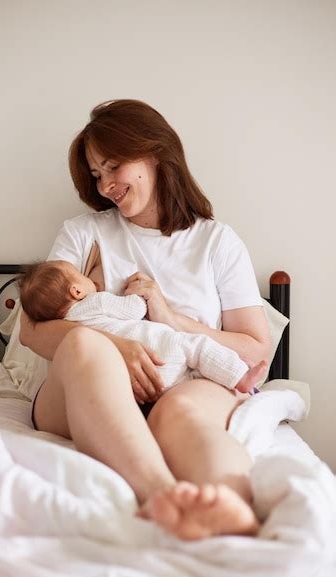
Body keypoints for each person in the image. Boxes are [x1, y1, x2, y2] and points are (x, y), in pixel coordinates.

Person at [20, 99, 271, 541]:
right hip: (84, 387)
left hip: (185, 381)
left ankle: (230, 511)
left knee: (180, 412)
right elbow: (32, 330)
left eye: (113, 166)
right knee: (83, 343)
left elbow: (254, 347)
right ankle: (164, 497)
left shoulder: (216, 241)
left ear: (154, 153)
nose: (105, 185)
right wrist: (118, 348)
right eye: (96, 175)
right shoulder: (84, 232)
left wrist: (170, 316)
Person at [19, 259, 267, 394]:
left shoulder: (66, 321)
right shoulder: (98, 301)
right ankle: (240, 378)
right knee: (198, 347)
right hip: (157, 353)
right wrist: (138, 295)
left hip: (126, 384)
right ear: (76, 290)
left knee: (189, 370)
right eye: (82, 276)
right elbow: (135, 310)